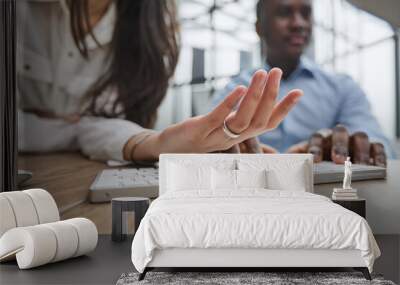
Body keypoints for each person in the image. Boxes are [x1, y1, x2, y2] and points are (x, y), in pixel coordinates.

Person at [17, 0, 302, 163]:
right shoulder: (21, 11)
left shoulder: (151, 31)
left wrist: (155, 143)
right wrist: (77, 127)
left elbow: (104, 125)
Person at [213, 0, 396, 164]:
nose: (299, 23)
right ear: (260, 27)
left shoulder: (343, 88)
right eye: (284, 13)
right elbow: (205, 143)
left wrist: (350, 148)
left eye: (306, 14)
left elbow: (380, 147)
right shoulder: (235, 90)